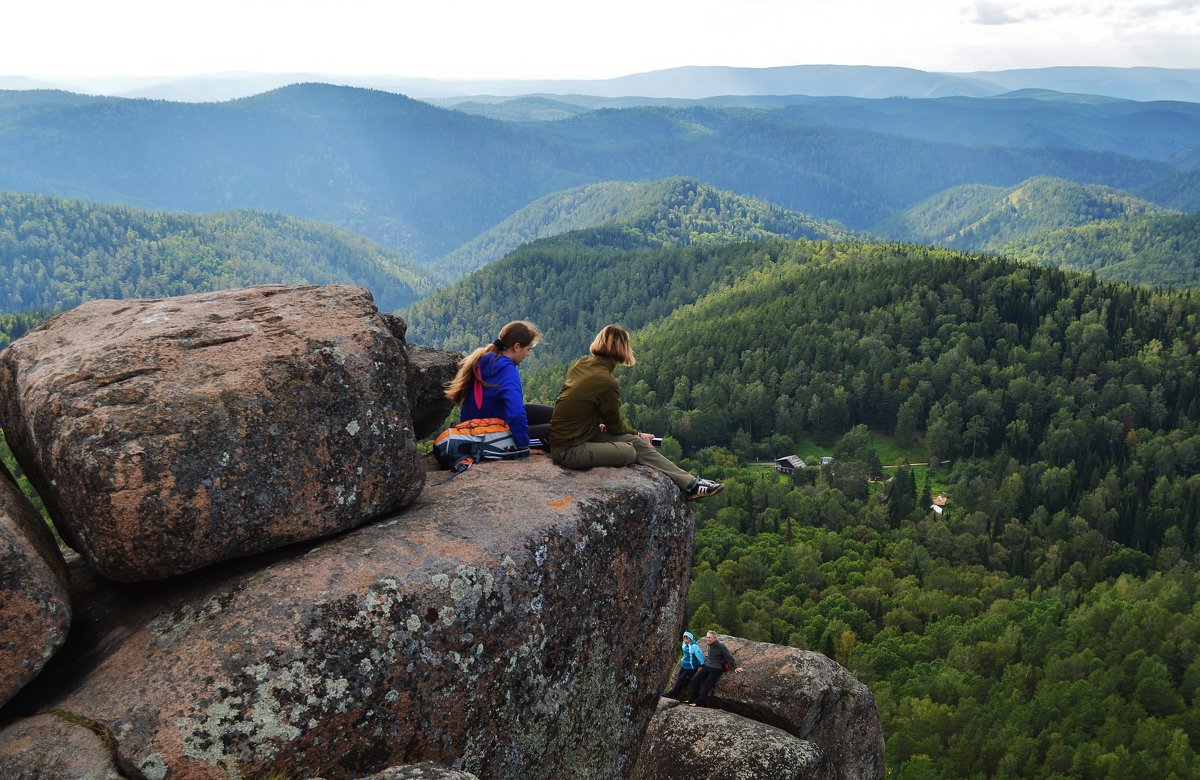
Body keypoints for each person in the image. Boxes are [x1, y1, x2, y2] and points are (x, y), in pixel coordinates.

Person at [548, 324, 723, 499]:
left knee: (635, 442)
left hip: (582, 434)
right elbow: (614, 426)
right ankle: (690, 484)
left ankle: (690, 483)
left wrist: (633, 435)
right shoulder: (606, 381)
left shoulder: (583, 364)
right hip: (569, 450)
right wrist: (639, 433)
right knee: (629, 451)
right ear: (622, 348)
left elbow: (577, 404)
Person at [445, 321, 551, 449]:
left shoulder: (486, 358)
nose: (527, 354)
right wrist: (523, 446)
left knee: (559, 417)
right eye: (527, 349)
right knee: (565, 432)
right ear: (516, 347)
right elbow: (516, 413)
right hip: (491, 437)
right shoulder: (507, 369)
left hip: (476, 429)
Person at [687, 630, 744, 706]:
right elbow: (710, 656)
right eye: (707, 637)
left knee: (708, 684)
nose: (707, 639)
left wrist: (735, 667)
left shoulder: (721, 646)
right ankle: (692, 699)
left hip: (717, 667)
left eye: (709, 637)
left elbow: (729, 656)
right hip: (708, 665)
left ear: (714, 638)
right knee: (695, 680)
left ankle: (698, 702)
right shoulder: (709, 644)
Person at [665, 630, 706, 702]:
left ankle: (672, 695)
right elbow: (685, 654)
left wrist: (701, 665)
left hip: (691, 668)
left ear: (690, 639)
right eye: (684, 638)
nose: (685, 639)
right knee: (679, 680)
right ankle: (674, 694)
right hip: (684, 666)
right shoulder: (684, 644)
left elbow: (700, 656)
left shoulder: (694, 646)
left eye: (687, 638)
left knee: (682, 680)